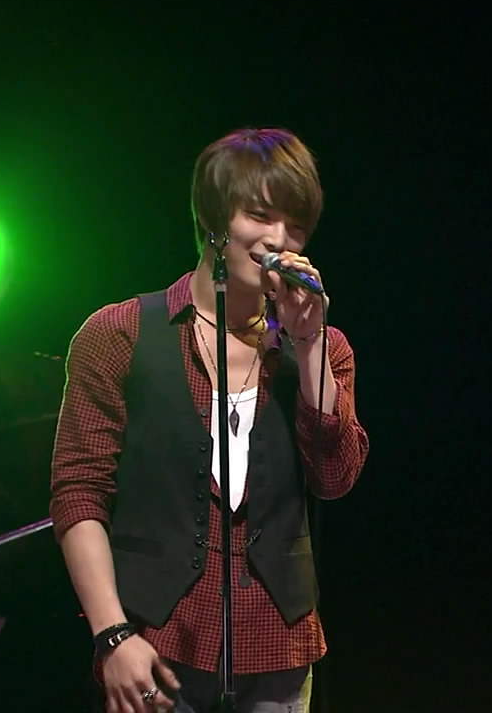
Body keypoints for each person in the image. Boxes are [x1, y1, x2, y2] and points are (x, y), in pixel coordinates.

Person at [49, 127, 370, 713]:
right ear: (214, 220)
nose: (279, 240)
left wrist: (310, 344)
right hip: (155, 640)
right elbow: (79, 493)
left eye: (296, 226)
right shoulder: (119, 333)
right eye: (261, 216)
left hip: (277, 648)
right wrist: (113, 634)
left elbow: (334, 478)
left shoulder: (322, 351)